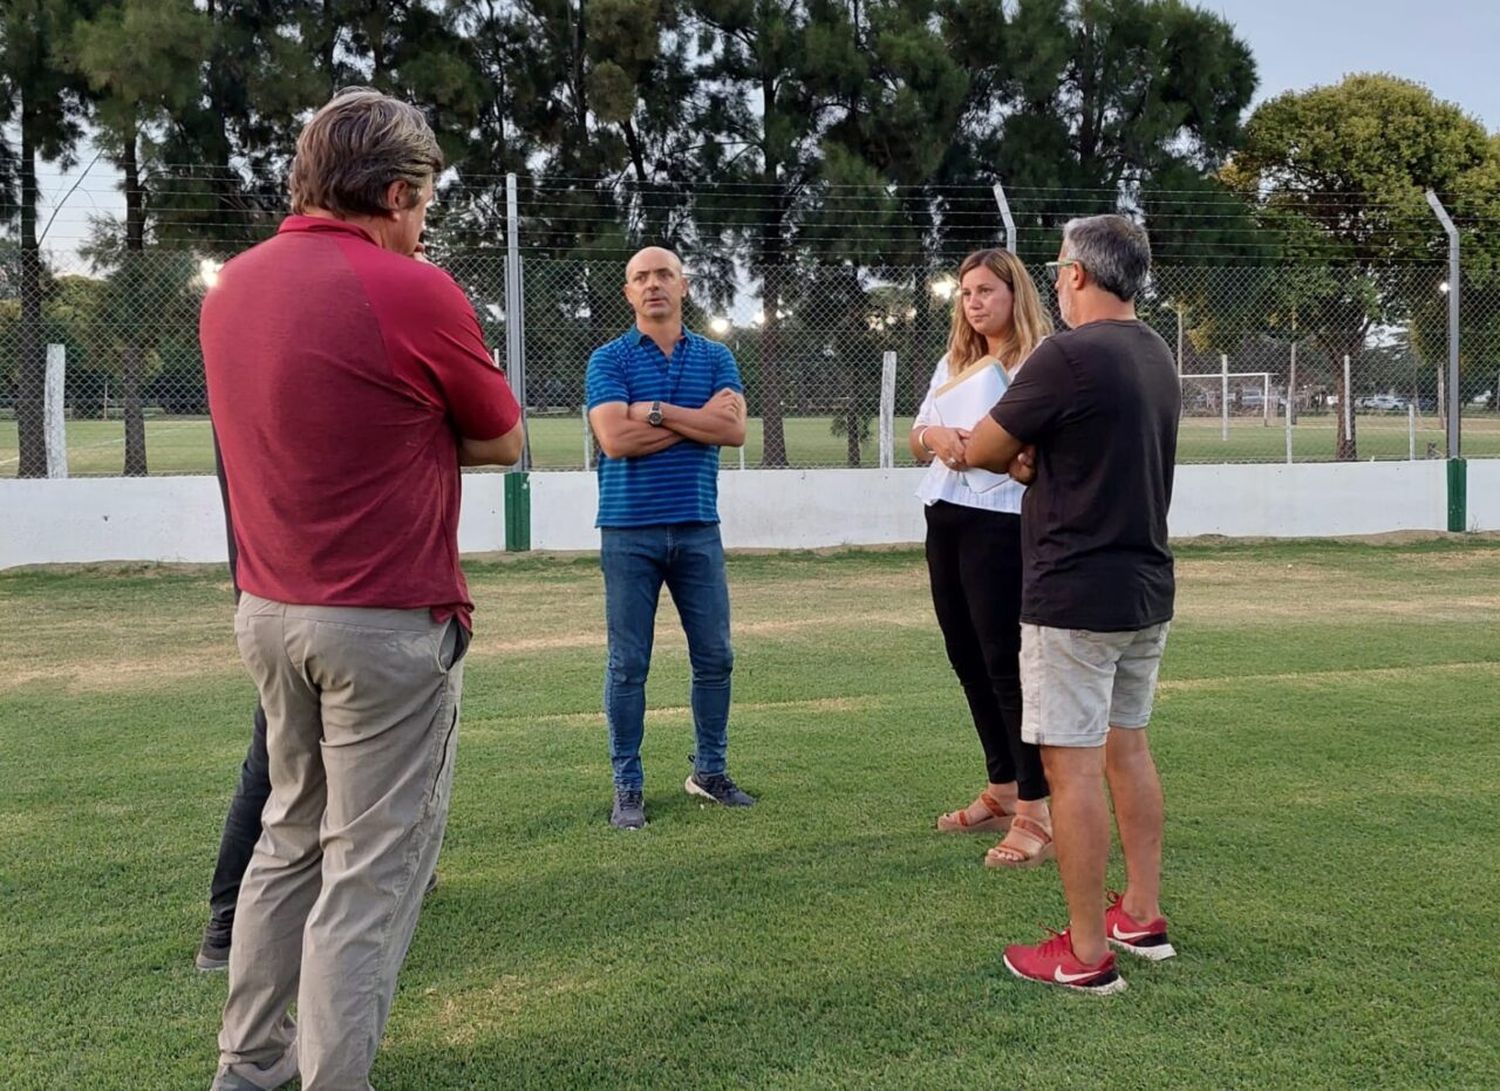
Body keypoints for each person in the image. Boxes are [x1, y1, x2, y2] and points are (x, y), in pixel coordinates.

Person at [201, 88, 524, 1089]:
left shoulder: (233, 289)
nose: (425, 224)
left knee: (287, 838)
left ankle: (248, 1064)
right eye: (423, 203)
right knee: (370, 871)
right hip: (383, 618)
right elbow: (505, 435)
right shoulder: (411, 288)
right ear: (394, 193)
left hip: (268, 609)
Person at [966, 215, 1181, 995]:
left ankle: (1087, 951)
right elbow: (1093, 456)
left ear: (1080, 275)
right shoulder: (1156, 351)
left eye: (1060, 268)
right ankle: (1141, 915)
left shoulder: (1067, 353)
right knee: (1130, 747)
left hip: (1073, 592)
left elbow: (987, 447)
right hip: (1145, 586)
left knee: (1072, 766)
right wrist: (1038, 465)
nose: (1057, 280)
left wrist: (1012, 458)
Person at [585, 246, 753, 830]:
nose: (653, 285)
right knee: (629, 663)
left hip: (698, 528)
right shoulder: (607, 359)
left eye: (663, 275)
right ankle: (627, 784)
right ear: (628, 292)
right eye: (640, 277)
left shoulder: (716, 356)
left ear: (683, 286)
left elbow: (732, 431)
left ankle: (709, 771)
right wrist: (691, 420)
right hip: (628, 531)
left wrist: (652, 411)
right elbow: (615, 441)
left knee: (716, 656)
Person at [910, 248, 1054, 868]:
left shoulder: (1041, 361)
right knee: (965, 656)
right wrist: (935, 438)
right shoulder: (955, 361)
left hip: (1003, 522)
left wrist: (1000, 453)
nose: (974, 302)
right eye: (966, 292)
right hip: (946, 515)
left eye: (987, 290)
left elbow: (1039, 455)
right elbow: (917, 437)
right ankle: (999, 788)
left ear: (1014, 294)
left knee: (1004, 663)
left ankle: (1036, 808)